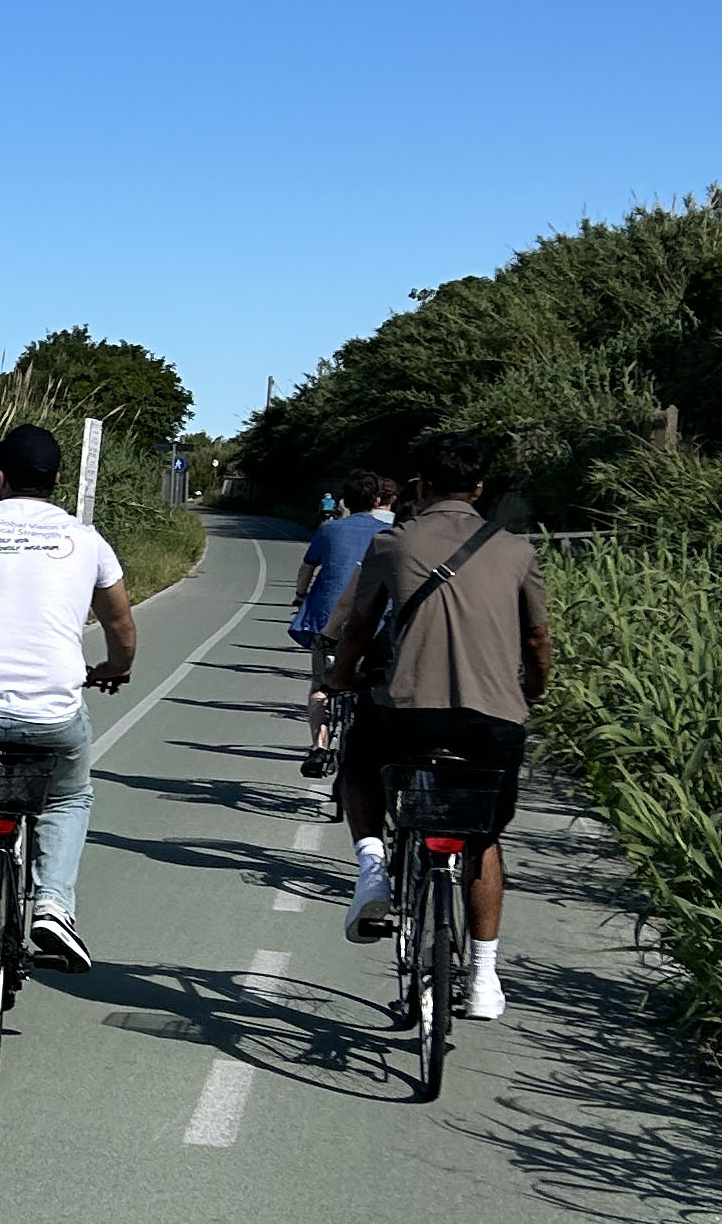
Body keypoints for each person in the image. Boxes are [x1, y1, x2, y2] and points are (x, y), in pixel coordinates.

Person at [324, 432, 554, 1020]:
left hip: (408, 713)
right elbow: (535, 637)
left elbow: (358, 627)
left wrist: (341, 677)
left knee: (358, 763)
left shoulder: (392, 543)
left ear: (421, 488)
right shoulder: (516, 551)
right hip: (493, 718)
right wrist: (534, 688)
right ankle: (484, 976)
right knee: (482, 837)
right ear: (480, 488)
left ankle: (373, 867)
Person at [0, 424, 138, 972]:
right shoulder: (87, 541)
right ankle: (54, 905)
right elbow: (121, 623)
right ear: (57, 480)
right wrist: (114, 669)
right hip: (53, 710)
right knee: (66, 795)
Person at [289, 470, 388, 777]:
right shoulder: (390, 534)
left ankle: (319, 748)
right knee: (377, 684)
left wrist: (300, 595)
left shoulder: (329, 530)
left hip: (327, 620)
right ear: (377, 500)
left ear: (345, 500)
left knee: (320, 687)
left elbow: (307, 567)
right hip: (376, 622)